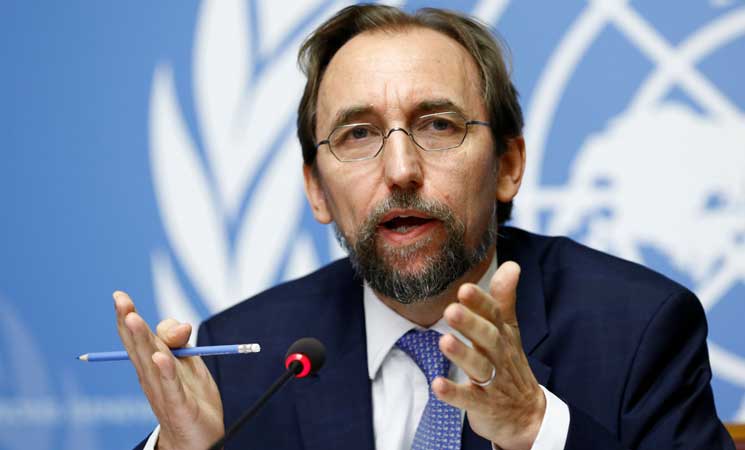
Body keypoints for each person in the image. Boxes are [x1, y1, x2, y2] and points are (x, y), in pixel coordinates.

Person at [117, 5, 734, 450]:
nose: (401, 170)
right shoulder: (245, 358)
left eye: (438, 125)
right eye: (358, 134)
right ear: (317, 190)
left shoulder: (638, 331)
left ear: (508, 166)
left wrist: (534, 428)